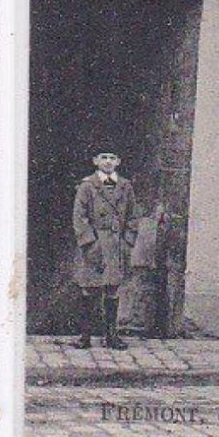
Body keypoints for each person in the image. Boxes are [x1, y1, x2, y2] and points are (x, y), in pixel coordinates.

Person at [71, 150, 137, 350]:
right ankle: (85, 336)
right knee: (89, 289)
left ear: (118, 161)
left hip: (116, 245)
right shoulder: (87, 186)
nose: (107, 162)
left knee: (112, 289)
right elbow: (79, 217)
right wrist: (90, 243)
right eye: (103, 157)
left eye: (112, 158)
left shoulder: (125, 187)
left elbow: (133, 216)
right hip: (94, 245)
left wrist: (127, 241)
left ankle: (111, 336)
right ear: (95, 161)